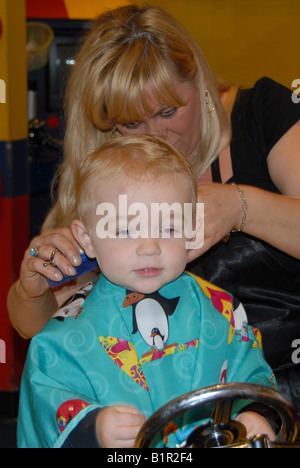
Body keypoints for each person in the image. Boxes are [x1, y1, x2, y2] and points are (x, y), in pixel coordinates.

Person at [7, 5, 300, 413]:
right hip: (165, 414)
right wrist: (31, 288)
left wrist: (240, 206)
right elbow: (46, 329)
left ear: (198, 81)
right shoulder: (109, 172)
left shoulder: (263, 113)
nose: (156, 137)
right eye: (131, 123)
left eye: (168, 111)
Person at [17, 135, 277, 448]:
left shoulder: (222, 311)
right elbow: (46, 397)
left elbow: (252, 373)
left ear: (191, 229)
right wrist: (92, 428)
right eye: (126, 229)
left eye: (168, 228)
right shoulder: (65, 338)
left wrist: (255, 413)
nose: (150, 247)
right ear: (87, 239)